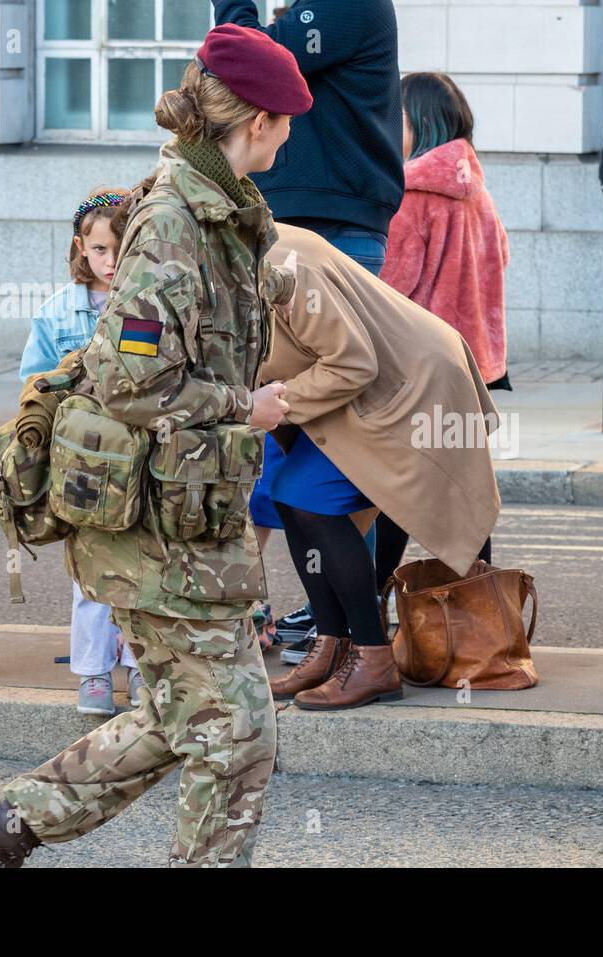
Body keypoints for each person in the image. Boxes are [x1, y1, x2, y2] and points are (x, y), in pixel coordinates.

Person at [0, 24, 307, 868]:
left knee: (184, 718)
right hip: (154, 531)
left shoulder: (222, 211)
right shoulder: (173, 223)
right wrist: (253, 403)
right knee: (238, 736)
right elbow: (132, 383)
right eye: (287, 120)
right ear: (256, 121)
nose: (293, 134)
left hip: (187, 518)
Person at [215, 0, 404, 660]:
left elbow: (245, 58)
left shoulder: (349, 5)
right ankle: (337, 624)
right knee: (301, 455)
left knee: (338, 449)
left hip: (334, 233)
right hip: (288, 228)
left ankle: (358, 633)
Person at [261, 223, 502, 710]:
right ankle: (333, 645)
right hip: (373, 382)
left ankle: (373, 659)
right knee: (290, 494)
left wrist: (269, 405)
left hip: (413, 381)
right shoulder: (245, 246)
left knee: (308, 499)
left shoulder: (278, 264)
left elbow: (352, 364)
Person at [377, 71, 509, 581]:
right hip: (473, 369)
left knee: (394, 490)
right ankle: (483, 614)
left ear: (421, 123)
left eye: (398, 116)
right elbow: (502, 258)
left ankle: (362, 609)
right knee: (465, 497)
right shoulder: (477, 191)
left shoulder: (410, 194)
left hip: (421, 369)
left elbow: (389, 286)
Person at [18, 189, 144, 716]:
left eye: (120, 248)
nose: (110, 261)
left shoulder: (146, 303)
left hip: (138, 457)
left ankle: (142, 669)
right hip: (82, 463)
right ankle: (93, 673)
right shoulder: (56, 313)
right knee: (90, 569)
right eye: (99, 250)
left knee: (141, 568)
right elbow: (32, 383)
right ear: (80, 248)